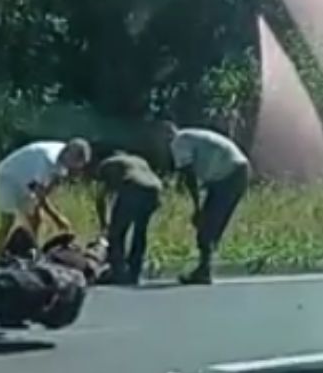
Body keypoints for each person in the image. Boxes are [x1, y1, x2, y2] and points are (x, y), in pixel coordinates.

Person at [157, 121, 250, 285]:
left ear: (165, 134)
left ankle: (204, 270)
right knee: (211, 223)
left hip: (229, 174)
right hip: (236, 170)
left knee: (207, 222)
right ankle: (204, 267)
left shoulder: (178, 141)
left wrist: (197, 206)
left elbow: (189, 175)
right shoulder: (190, 135)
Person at [0, 138, 91, 262]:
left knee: (36, 218)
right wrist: (57, 218)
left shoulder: (64, 159)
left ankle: (31, 251)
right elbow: (39, 193)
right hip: (9, 177)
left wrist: (43, 203)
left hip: (28, 181)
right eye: (75, 163)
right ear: (69, 154)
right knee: (8, 220)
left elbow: (49, 187)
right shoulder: (47, 159)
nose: (75, 169)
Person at [89, 149, 161, 285]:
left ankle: (118, 271)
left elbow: (101, 197)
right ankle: (134, 272)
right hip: (154, 190)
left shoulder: (107, 164)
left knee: (116, 233)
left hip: (133, 187)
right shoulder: (139, 160)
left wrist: (104, 223)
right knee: (140, 232)